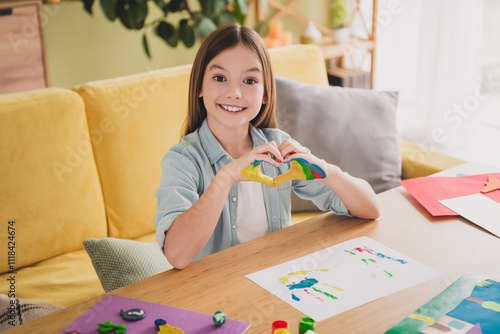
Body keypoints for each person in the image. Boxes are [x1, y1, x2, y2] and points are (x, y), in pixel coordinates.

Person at [155, 23, 380, 270]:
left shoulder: (277, 148)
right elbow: (176, 254)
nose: (235, 93)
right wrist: (227, 176)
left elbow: (370, 208)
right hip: (216, 295)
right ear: (199, 86)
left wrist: (325, 169)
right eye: (220, 78)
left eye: (249, 80)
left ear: (265, 94)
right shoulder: (183, 160)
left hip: (277, 281)